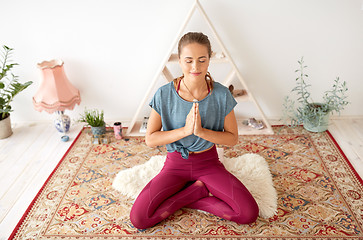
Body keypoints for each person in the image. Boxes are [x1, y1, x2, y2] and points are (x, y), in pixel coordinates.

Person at [130, 32, 259, 229]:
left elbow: (232, 139)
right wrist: (185, 130)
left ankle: (189, 194)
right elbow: (151, 139)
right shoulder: (164, 94)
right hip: (175, 165)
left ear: (209, 60)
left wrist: (200, 131)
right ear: (180, 61)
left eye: (202, 60)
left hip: (208, 164)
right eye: (189, 60)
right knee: (139, 219)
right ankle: (196, 192)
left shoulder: (222, 94)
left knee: (248, 213)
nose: (195, 67)